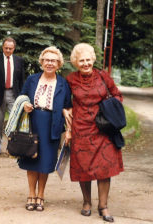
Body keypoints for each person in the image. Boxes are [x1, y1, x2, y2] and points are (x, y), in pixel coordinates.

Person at [66, 43, 124, 222]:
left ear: (93, 59)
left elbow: (117, 95)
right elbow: (63, 101)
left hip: (103, 128)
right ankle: (86, 203)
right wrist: (65, 111)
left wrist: (109, 110)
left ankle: (103, 206)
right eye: (81, 60)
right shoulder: (70, 79)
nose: (85, 63)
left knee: (104, 168)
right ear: (76, 62)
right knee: (84, 167)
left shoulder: (103, 76)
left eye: (88, 60)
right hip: (81, 128)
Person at [19, 46, 72, 211]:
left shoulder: (63, 83)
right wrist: (25, 104)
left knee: (46, 162)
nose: (50, 63)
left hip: (52, 124)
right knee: (31, 159)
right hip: (33, 122)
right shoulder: (32, 80)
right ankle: (31, 194)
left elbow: (68, 107)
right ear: (41, 62)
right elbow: (22, 98)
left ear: (59, 64)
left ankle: (41, 195)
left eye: (53, 61)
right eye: (47, 60)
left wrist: (69, 129)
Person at [0, 37, 25, 154]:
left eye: (10, 48)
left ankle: (13, 146)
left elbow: (22, 80)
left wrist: (22, 97)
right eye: (6, 48)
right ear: (2, 47)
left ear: (14, 48)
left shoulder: (19, 61)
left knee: (16, 121)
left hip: (14, 94)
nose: (8, 50)